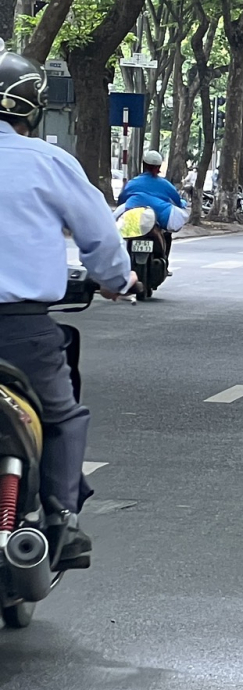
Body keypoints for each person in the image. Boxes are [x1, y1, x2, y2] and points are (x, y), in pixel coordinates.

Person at [0, 48, 136, 570]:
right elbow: (100, 237)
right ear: (32, 110)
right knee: (60, 416)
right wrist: (114, 280)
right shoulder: (50, 162)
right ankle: (60, 519)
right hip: (22, 333)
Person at [115, 149, 185, 269]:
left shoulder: (133, 183)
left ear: (144, 165)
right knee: (167, 234)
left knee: (119, 234)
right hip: (157, 219)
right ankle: (165, 262)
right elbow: (177, 201)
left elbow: (122, 199)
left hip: (134, 218)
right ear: (158, 167)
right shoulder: (165, 184)